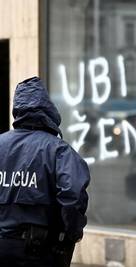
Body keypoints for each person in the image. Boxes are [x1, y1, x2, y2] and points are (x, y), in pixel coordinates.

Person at [0, 77, 90, 267]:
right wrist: (72, 234)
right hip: (38, 251)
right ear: (48, 109)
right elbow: (73, 195)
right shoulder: (58, 150)